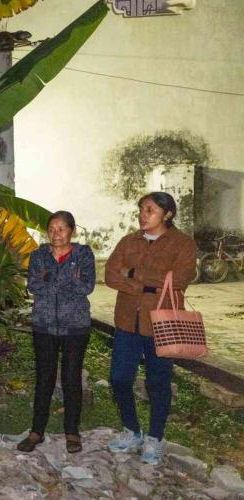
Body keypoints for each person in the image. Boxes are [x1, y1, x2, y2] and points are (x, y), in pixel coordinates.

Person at [105, 192, 196, 466]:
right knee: (119, 378)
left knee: (158, 383)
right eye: (142, 210)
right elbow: (110, 274)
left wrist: (132, 274)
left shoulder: (182, 244)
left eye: (150, 210)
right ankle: (132, 431)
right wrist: (151, 284)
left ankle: (155, 438)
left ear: (167, 214)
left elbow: (180, 279)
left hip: (161, 324)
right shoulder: (129, 241)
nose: (143, 215)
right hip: (126, 323)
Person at [16, 211, 95, 454]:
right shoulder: (38, 255)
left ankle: (72, 431)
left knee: (72, 379)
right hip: (44, 326)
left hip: (75, 327)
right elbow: (33, 285)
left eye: (61, 228)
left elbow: (86, 286)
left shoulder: (84, 254)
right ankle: (36, 431)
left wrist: (50, 277)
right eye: (51, 228)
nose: (55, 233)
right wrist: (68, 277)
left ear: (72, 230)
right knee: (44, 379)